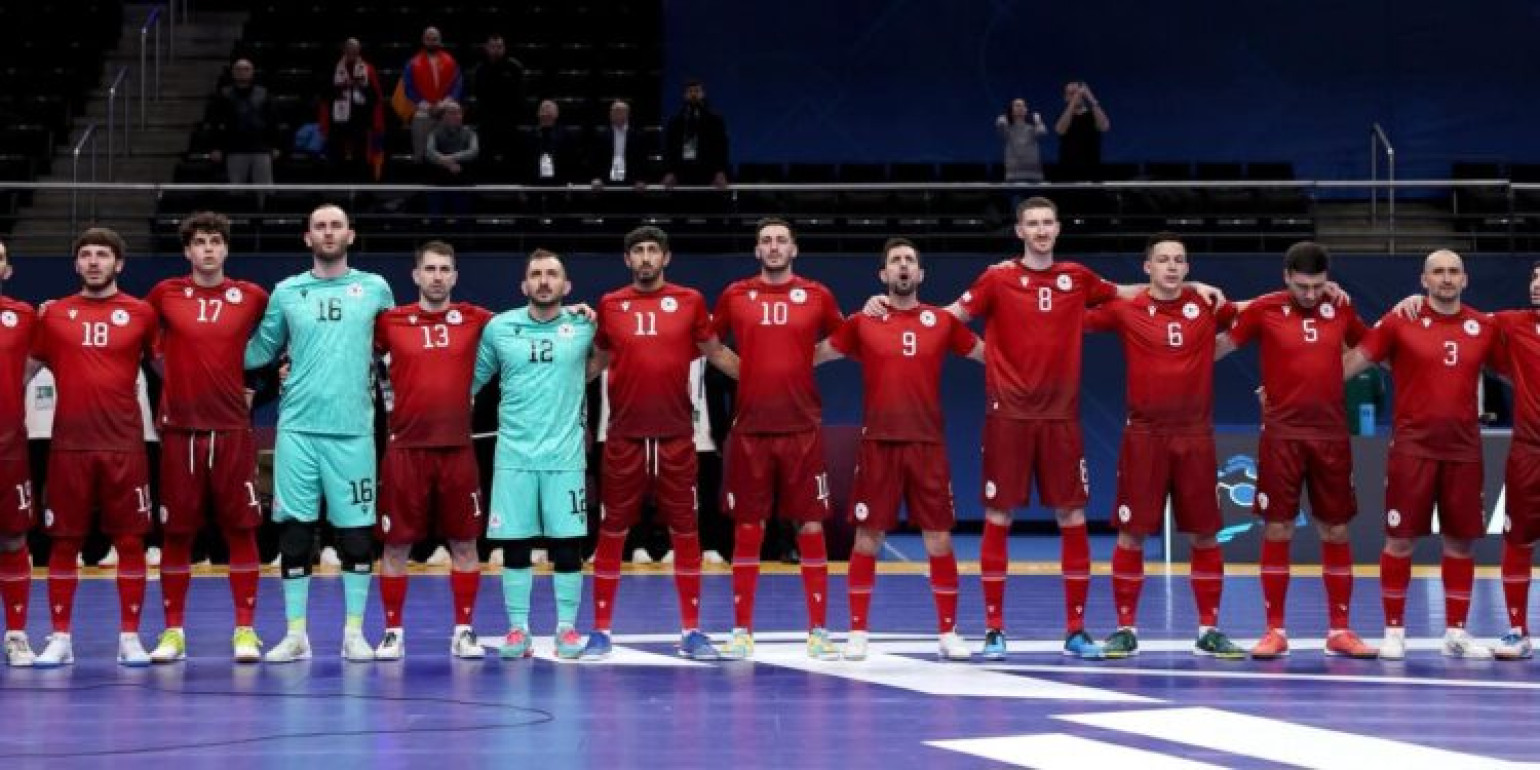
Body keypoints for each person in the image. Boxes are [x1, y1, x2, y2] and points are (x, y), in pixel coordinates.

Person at [865, 196, 1221, 660]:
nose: (1039, 230)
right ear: (1019, 231)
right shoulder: (997, 278)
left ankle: (1076, 630)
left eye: (1047, 222)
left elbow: (1132, 290)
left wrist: (1190, 285)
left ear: (1057, 228)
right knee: (999, 517)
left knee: (1072, 518)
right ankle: (994, 630)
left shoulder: (1077, 277)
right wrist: (887, 309)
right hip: (1008, 417)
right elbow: (948, 316)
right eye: (1031, 223)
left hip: (1061, 419)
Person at [817, 237, 985, 661]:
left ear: (921, 273)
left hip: (928, 445)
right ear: (883, 274)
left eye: (910, 260)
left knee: (939, 539)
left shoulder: (941, 321)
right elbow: (817, 354)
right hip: (878, 444)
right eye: (896, 261)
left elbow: (991, 356)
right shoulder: (862, 321)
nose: (904, 266)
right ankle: (858, 632)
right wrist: (767, 363)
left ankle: (948, 633)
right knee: (867, 538)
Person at [580, 226, 739, 661]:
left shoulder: (690, 300)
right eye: (639, 251)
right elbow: (596, 362)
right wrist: (552, 382)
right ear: (627, 259)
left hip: (676, 437)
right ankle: (600, 631)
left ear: (666, 258)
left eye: (653, 250)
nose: (646, 257)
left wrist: (762, 379)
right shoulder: (610, 304)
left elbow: (716, 353)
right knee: (612, 530)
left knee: (686, 530)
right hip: (624, 438)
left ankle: (691, 631)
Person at [1084, 232, 1245, 659]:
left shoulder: (1207, 305)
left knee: (1205, 534)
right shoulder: (1126, 309)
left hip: (1195, 436)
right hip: (1145, 437)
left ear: (1187, 268)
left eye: (1179, 260)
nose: (1171, 267)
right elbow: (1071, 316)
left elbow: (1254, 313)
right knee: (1131, 534)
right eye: (1163, 260)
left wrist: (1323, 291)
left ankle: (1209, 629)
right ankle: (1125, 629)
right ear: (1147, 268)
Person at [246, 204, 395, 663]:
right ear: (307, 238)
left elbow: (398, 348)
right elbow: (259, 350)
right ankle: (296, 635)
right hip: (298, 431)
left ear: (350, 235)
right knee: (295, 534)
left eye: (336, 226)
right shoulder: (287, 292)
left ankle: (354, 633)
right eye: (319, 227)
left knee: (356, 537)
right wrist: (199, 342)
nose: (328, 233)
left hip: (354, 432)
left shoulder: (375, 289)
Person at [1214, 242, 1378, 659]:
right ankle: (1274, 630)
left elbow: (1373, 347)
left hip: (1331, 436)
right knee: (1277, 528)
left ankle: (1340, 630)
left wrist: (1332, 376)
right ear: (1286, 276)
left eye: (1318, 286)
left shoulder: (1340, 306)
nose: (1310, 294)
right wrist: (1171, 359)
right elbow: (1221, 346)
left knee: (1336, 530)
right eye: (1302, 286)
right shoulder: (1264, 309)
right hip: (1281, 436)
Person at [1342, 250, 1502, 660]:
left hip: (1464, 451)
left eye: (1453, 272)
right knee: (1399, 542)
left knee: (1460, 544)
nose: (1446, 279)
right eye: (1438, 272)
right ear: (1423, 279)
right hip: (1412, 449)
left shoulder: (1484, 327)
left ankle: (1457, 632)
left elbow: (1518, 373)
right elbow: (1351, 363)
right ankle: (1394, 632)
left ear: (1465, 279)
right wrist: (1288, 389)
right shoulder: (1400, 320)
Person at [712, 219, 843, 660]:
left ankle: (819, 630)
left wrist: (804, 362)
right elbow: (709, 344)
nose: (773, 247)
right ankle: (741, 630)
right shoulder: (735, 294)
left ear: (794, 249)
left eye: (781, 240)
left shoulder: (817, 294)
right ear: (757, 250)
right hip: (750, 429)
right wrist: (745, 370)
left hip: (802, 429)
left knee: (810, 524)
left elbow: (844, 339)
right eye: (766, 241)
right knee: (749, 526)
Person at [142, 212, 270, 664]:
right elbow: (139, 340)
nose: (208, 249)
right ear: (187, 251)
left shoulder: (252, 296)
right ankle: (173, 631)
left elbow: (278, 341)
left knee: (242, 529)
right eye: (200, 242)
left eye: (216, 241)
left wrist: (260, 388)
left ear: (226, 249)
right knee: (177, 533)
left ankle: (245, 630)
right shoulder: (164, 293)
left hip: (232, 430)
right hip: (180, 431)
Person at [30, 228, 159, 667]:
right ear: (76, 264)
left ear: (118, 263)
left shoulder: (142, 313)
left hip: (125, 446)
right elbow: (23, 371)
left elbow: (168, 367)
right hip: (69, 447)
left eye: (102, 254)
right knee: (63, 543)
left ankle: (130, 637)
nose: (93, 261)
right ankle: (60, 638)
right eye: (85, 254)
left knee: (131, 542)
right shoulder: (53, 315)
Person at [473, 249, 597, 660]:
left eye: (552, 274)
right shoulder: (500, 327)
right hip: (514, 455)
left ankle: (566, 629)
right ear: (524, 285)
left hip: (565, 457)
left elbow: (608, 357)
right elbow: (471, 380)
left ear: (567, 285)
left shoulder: (584, 327)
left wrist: (594, 321)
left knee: (568, 544)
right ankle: (517, 629)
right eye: (537, 274)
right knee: (515, 544)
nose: (544, 281)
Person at [372, 241, 492, 660]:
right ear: (416, 275)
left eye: (444, 269)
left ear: (454, 277)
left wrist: (575, 313)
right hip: (405, 449)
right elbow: (345, 350)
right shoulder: (389, 321)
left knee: (465, 544)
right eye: (430, 269)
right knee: (395, 546)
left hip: (457, 449)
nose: (437, 276)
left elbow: (528, 322)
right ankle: (392, 632)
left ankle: (464, 630)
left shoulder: (476, 318)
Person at [1489, 262, 1540, 660]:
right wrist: (1416, 303)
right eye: (1534, 277)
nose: (1537, 285)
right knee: (1517, 539)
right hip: (1529, 451)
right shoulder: (1513, 322)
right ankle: (1517, 631)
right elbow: (1458, 319)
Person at [0, 239, 37, 667]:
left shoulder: (24, 316)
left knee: (12, 538)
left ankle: (16, 634)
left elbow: (39, 360)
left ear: (7, 270)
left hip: (8, 449)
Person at [392, 26, 463, 163]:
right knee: (421, 154)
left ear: (440, 41)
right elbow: (409, 89)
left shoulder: (451, 61)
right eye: (428, 39)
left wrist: (444, 104)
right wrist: (428, 106)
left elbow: (457, 85)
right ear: (423, 40)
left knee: (447, 155)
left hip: (446, 111)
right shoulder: (413, 63)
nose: (432, 42)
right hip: (422, 113)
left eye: (435, 39)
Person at [321, 38, 385, 182]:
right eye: (349, 49)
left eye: (355, 50)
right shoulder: (334, 68)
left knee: (360, 155)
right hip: (338, 120)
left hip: (360, 119)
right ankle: (336, 184)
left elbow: (375, 97)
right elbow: (325, 94)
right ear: (344, 50)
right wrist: (342, 87)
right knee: (336, 154)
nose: (352, 52)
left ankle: (360, 183)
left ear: (359, 51)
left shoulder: (368, 69)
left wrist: (361, 86)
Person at [210, 58, 280, 186]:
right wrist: (216, 147)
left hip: (260, 148)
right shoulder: (223, 95)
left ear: (252, 72)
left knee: (263, 189)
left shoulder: (264, 94)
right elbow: (215, 122)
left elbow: (272, 121)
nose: (242, 72)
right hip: (235, 148)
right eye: (238, 69)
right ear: (233, 72)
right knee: (236, 189)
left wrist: (275, 146)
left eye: (246, 69)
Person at [662, 79, 729, 189]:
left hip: (707, 173)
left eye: (697, 91)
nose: (693, 94)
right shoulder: (675, 122)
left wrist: (720, 172)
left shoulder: (715, 120)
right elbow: (669, 148)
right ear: (684, 95)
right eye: (690, 91)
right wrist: (669, 171)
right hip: (681, 174)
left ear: (703, 94)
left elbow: (721, 148)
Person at [469, 33, 524, 167]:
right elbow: (477, 94)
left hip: (509, 119)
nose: (496, 50)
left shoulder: (515, 67)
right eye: (493, 47)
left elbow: (520, 95)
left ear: (504, 48)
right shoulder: (480, 69)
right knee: (486, 158)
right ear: (487, 48)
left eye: (499, 46)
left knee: (510, 159)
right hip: (487, 119)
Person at [424, 100, 479, 214]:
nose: (457, 116)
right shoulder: (434, 133)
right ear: (444, 116)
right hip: (439, 181)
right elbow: (429, 153)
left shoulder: (470, 133)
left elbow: (473, 152)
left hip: (462, 181)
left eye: (459, 112)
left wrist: (449, 158)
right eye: (453, 113)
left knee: (463, 215)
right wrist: (448, 164)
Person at [1054, 80, 1110, 182]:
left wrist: (1091, 99)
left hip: (1091, 169)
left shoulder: (1093, 114)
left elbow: (1104, 127)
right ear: (1065, 97)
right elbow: (1060, 130)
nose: (1076, 96)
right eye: (1071, 94)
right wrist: (1072, 103)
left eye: (1078, 93)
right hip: (1068, 171)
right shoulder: (1064, 115)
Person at [589, 100, 649, 189]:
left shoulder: (638, 135)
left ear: (627, 114)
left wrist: (641, 179)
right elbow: (594, 159)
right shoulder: (601, 135)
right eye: (612, 111)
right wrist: (596, 178)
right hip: (604, 183)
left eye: (619, 111)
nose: (615, 114)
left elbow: (643, 159)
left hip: (632, 183)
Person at [522, 99, 582, 186]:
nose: (546, 112)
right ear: (538, 113)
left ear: (556, 114)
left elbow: (572, 161)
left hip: (559, 183)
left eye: (549, 109)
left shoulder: (566, 136)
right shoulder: (529, 136)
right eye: (543, 109)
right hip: (534, 183)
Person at [997, 98, 1047, 183]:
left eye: (1023, 106)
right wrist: (1006, 117)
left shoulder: (1032, 129)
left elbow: (1042, 132)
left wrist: (1038, 121)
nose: (1020, 108)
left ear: (1026, 110)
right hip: (1013, 175)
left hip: (1034, 175)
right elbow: (1000, 124)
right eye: (1017, 106)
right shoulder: (1008, 129)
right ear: (1012, 110)